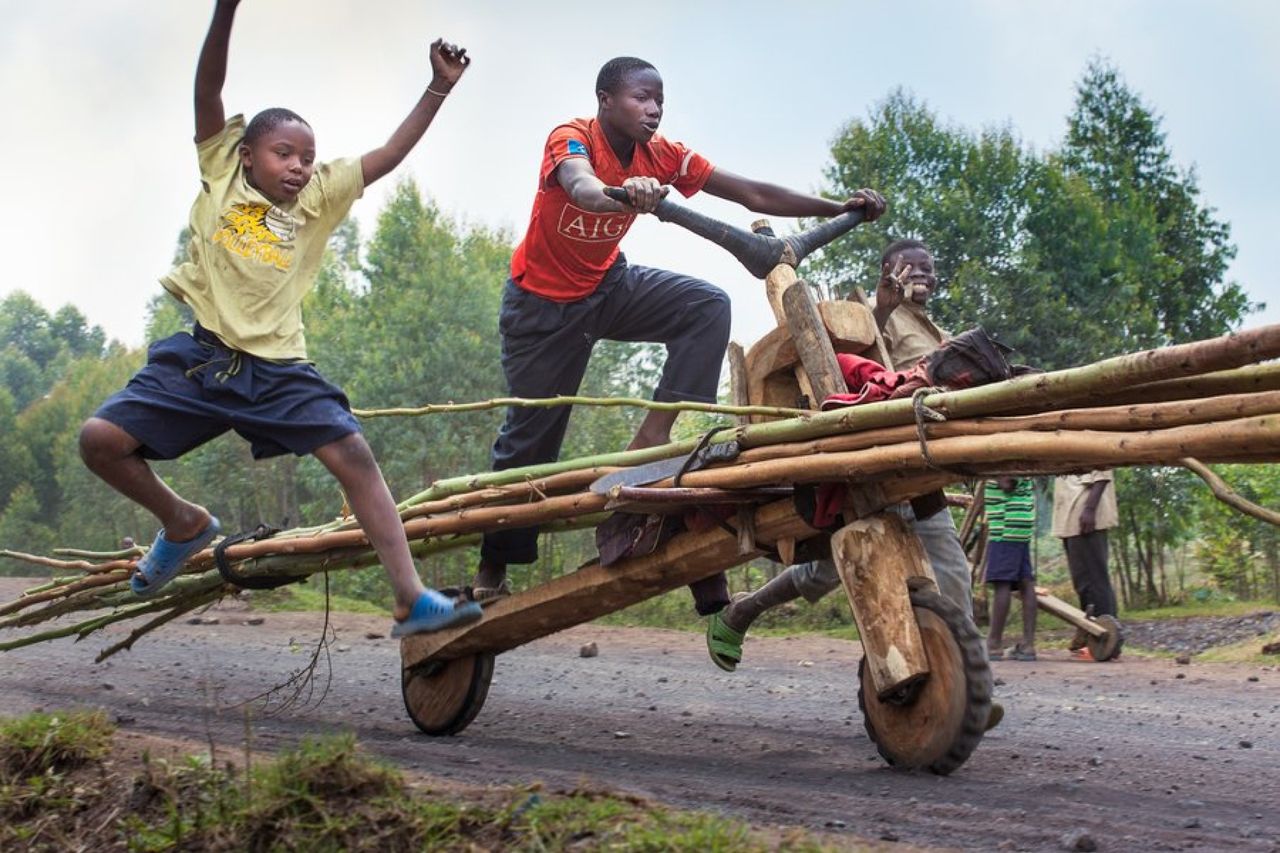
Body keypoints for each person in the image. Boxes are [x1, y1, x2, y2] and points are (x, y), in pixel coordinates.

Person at [77, 0, 481, 638]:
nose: (298, 166)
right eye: (284, 153)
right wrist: (226, 8)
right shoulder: (219, 174)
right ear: (244, 155)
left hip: (278, 369)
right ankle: (183, 522)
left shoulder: (317, 199)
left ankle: (410, 597)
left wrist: (437, 88)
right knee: (99, 441)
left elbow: (389, 154)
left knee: (352, 452)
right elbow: (207, 86)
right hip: (203, 359)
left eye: (306, 156)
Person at [471, 56, 886, 624]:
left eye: (659, 100)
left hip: (607, 286)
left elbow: (751, 193)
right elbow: (582, 188)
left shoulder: (663, 153)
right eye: (642, 98)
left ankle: (654, 438)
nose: (654, 109)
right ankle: (493, 567)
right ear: (605, 99)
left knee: (706, 306)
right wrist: (624, 191)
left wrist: (838, 206)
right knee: (531, 439)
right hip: (542, 309)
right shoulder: (571, 138)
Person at [708, 239, 975, 670]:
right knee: (826, 569)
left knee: (951, 568)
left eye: (929, 269)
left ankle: (963, 670)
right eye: (911, 268)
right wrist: (883, 307)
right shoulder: (868, 312)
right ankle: (744, 610)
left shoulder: (938, 332)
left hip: (921, 463)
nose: (922, 275)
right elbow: (850, 356)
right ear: (889, 272)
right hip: (875, 455)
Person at [1052, 470, 1119, 659]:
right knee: (1083, 583)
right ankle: (1093, 638)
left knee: (1095, 581)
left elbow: (1103, 474)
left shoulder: (1092, 440)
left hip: (1084, 515)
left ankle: (1106, 640)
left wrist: (1090, 509)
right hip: (1071, 518)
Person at [983, 476, 1038, 661]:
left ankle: (993, 643)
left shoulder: (1001, 453)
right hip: (1020, 521)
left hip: (1005, 524)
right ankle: (1028, 645)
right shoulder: (1023, 454)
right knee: (1025, 582)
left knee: (1002, 583)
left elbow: (1006, 481)